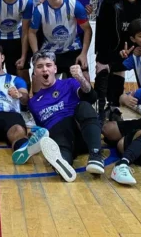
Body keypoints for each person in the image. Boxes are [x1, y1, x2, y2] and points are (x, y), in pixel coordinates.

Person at [0, 42, 62, 167]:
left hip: (10, 116)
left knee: (18, 130)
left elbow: (26, 99)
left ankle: (23, 149)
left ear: (2, 58)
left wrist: (19, 95)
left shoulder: (16, 80)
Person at [28, 52, 103, 182]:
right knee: (57, 143)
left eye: (48, 65)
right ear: (35, 72)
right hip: (59, 135)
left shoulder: (69, 83)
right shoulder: (33, 102)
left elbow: (92, 97)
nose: (45, 69)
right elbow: (41, 129)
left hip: (81, 131)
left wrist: (80, 77)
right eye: (40, 66)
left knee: (84, 106)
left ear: (55, 69)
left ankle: (96, 156)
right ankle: (62, 163)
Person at [28, 0, 91, 86]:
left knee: (84, 81)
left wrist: (84, 54)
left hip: (73, 51)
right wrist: (36, 54)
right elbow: (32, 32)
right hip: (49, 52)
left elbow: (87, 29)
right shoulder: (39, 10)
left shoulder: (75, 5)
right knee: (37, 83)